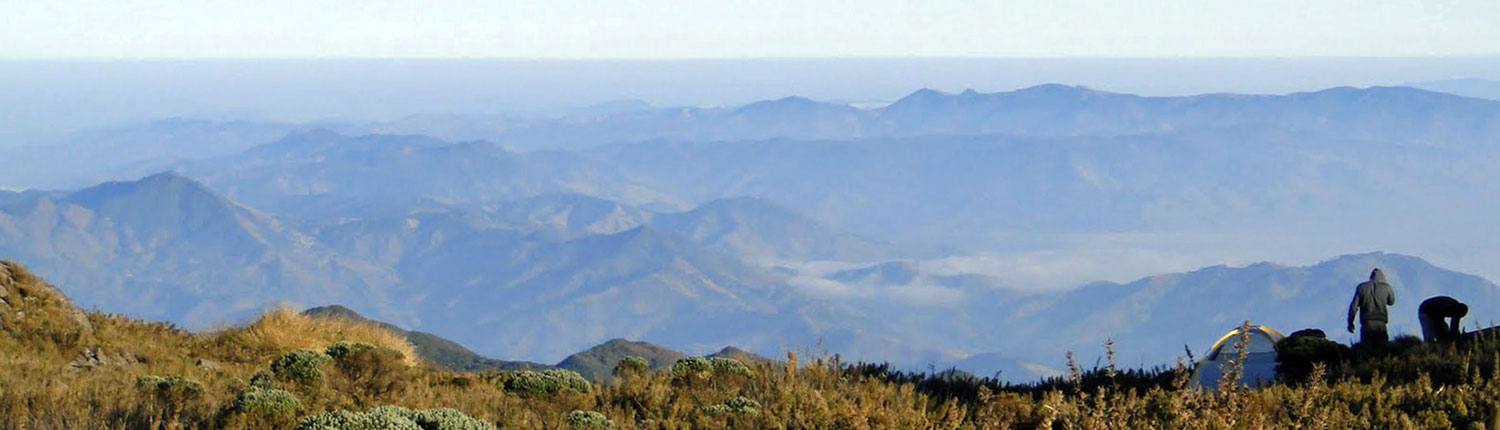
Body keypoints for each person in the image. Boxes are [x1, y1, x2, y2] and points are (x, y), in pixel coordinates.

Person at [1347, 268, 1396, 349]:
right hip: (1381, 323)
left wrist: (1350, 322)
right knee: (1382, 350)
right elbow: (1391, 302)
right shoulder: (1387, 287)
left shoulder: (1361, 287)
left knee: (1367, 350)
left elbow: (1353, 307)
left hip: (1367, 323)